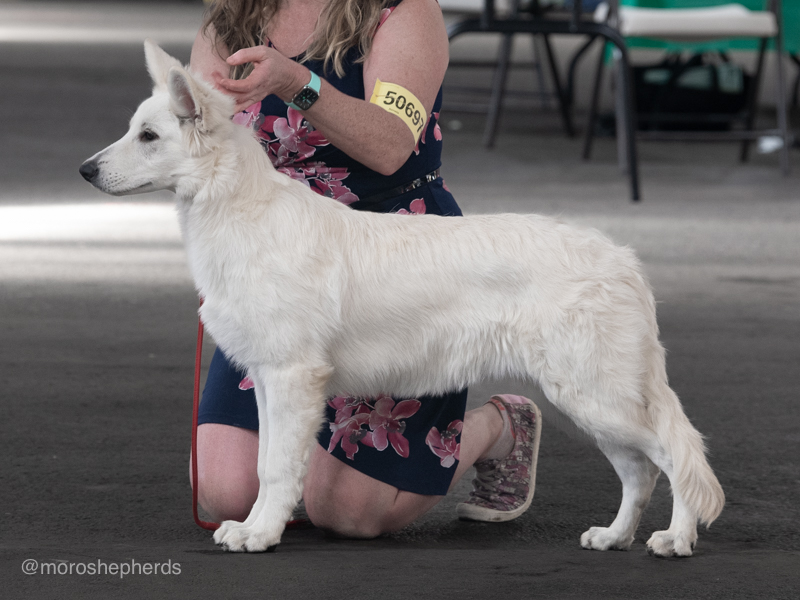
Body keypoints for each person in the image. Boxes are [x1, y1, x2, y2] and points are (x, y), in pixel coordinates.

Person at [190, 0, 542, 538]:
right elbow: (196, 133)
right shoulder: (232, 12)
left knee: (351, 514)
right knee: (225, 495)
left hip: (395, 262)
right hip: (279, 263)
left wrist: (293, 81)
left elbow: (389, 146)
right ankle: (306, 460)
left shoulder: (402, 11)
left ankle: (499, 428)